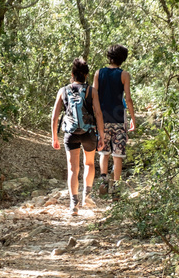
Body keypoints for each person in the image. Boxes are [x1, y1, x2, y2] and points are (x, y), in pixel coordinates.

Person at [51, 57, 97, 215]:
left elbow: (55, 115)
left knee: (72, 168)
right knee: (89, 164)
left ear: (72, 74)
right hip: (88, 132)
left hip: (70, 134)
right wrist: (103, 135)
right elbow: (98, 113)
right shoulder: (92, 91)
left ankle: (73, 204)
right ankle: (87, 196)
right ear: (86, 75)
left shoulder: (63, 90)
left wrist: (54, 137)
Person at [92, 44, 136, 195]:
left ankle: (103, 181)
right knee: (118, 155)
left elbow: (94, 96)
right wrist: (133, 119)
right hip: (118, 119)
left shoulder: (99, 73)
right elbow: (128, 99)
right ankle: (116, 189)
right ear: (123, 58)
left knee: (104, 153)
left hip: (102, 119)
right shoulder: (124, 75)